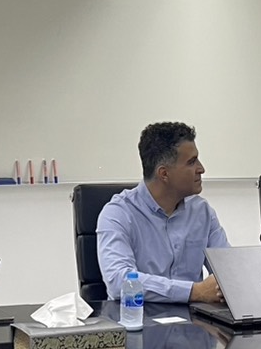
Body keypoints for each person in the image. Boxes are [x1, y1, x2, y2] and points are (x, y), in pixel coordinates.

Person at [97, 121, 229, 304]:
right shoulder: (118, 214)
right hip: (140, 316)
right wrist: (194, 292)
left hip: (194, 318)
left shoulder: (202, 211)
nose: (201, 169)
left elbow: (228, 271)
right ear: (164, 174)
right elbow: (119, 281)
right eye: (191, 162)